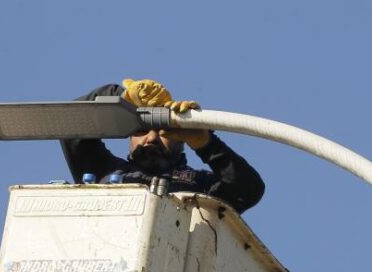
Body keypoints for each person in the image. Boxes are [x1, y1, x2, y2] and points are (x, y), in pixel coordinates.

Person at [60, 79, 265, 213]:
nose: (150, 138)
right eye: (140, 130)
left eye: (163, 131)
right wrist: (122, 99)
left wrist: (206, 143)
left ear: (182, 139)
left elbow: (248, 190)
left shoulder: (201, 186)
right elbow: (71, 124)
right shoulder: (103, 170)